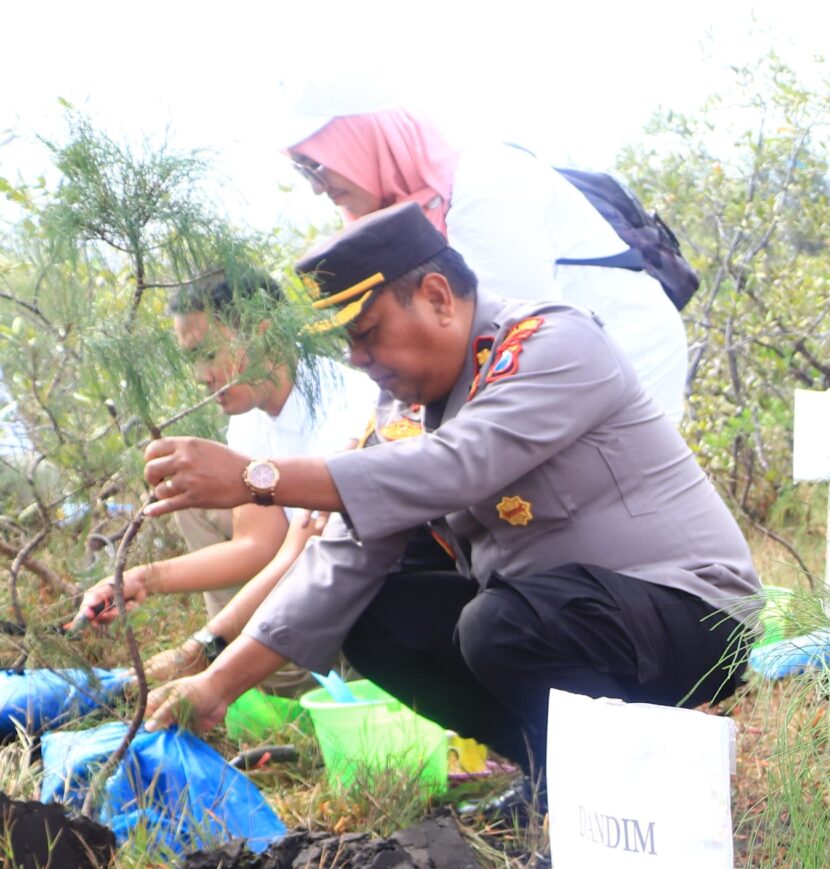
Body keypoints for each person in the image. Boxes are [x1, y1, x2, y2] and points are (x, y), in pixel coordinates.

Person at [135, 204, 761, 805]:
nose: (357, 358)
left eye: (366, 332)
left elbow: (455, 465)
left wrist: (256, 479)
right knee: (374, 611)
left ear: (436, 296)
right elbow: (345, 555)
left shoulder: (552, 341)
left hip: (696, 617)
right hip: (564, 621)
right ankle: (551, 777)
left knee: (498, 626)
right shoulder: (404, 411)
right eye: (346, 343)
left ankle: (625, 795)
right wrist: (215, 684)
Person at [75, 269, 374, 696]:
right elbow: (257, 543)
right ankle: (247, 662)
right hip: (296, 565)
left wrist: (200, 647)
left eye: (209, 352)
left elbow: (303, 554)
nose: (201, 374)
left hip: (353, 594)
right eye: (190, 358)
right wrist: (141, 579)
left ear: (262, 332)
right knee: (190, 490)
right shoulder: (251, 414)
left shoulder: (345, 412)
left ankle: (268, 669)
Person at [286, 108, 691, 421]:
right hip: (554, 372)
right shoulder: (410, 205)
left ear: (359, 141)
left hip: (621, 356)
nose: (318, 187)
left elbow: (520, 341)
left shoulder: (481, 188)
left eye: (319, 164)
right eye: (302, 170)